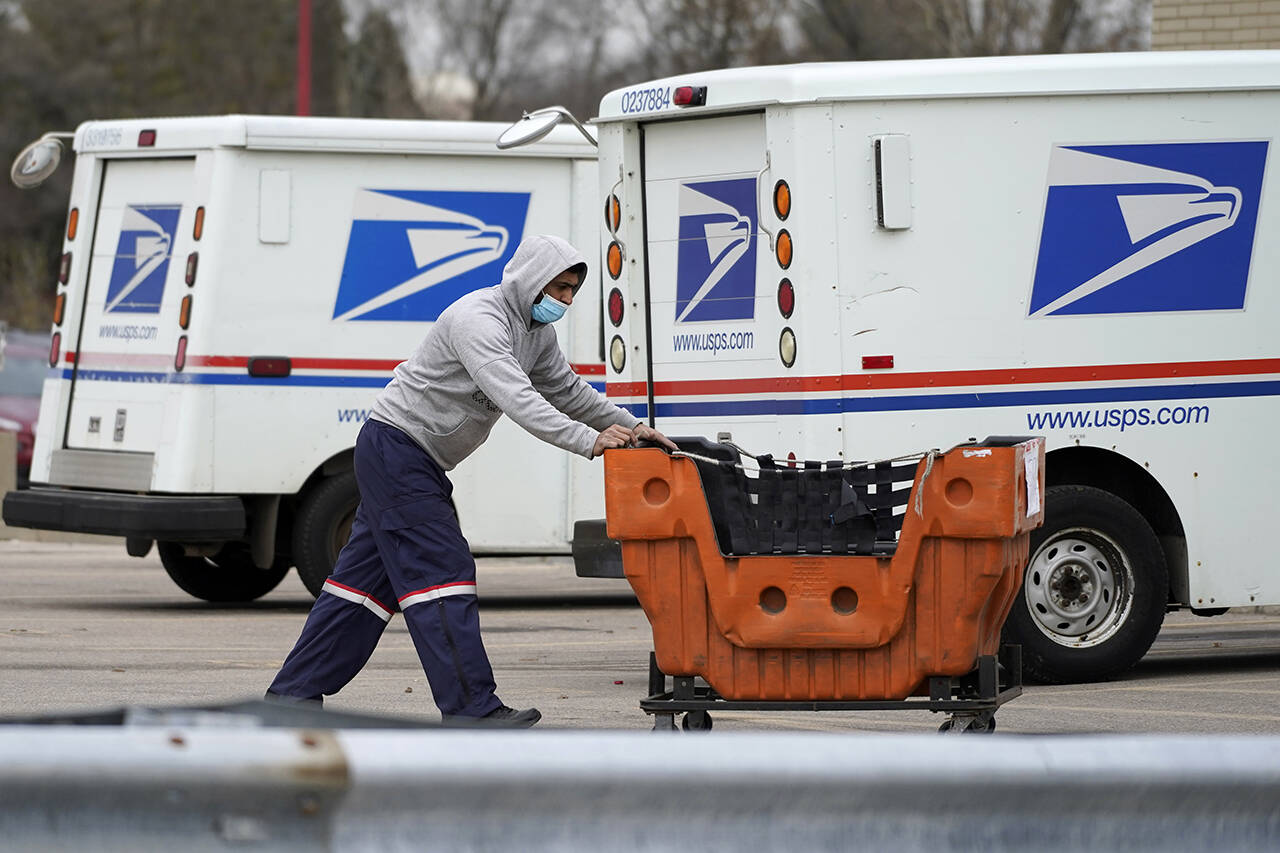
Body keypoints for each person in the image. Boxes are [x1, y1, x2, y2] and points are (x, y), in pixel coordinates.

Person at [267, 234, 676, 727]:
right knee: (442, 573)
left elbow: (567, 390)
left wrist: (630, 426)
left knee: (362, 591)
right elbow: (517, 397)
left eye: (572, 291)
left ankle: (291, 697)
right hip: (397, 450)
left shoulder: (534, 331)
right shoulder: (478, 320)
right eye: (560, 288)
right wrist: (588, 442)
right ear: (530, 280)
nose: (565, 300)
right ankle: (470, 709)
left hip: (410, 458)